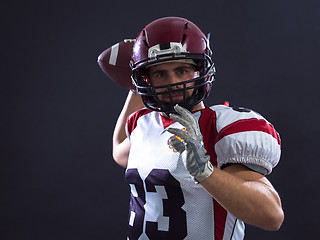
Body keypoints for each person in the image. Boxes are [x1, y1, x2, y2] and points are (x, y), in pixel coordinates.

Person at [112, 16, 284, 240]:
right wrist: (134, 77)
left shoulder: (217, 126)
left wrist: (206, 172)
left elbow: (271, 216)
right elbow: (119, 151)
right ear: (146, 79)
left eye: (181, 70)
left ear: (200, 71)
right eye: (160, 73)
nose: (172, 81)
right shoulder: (144, 122)